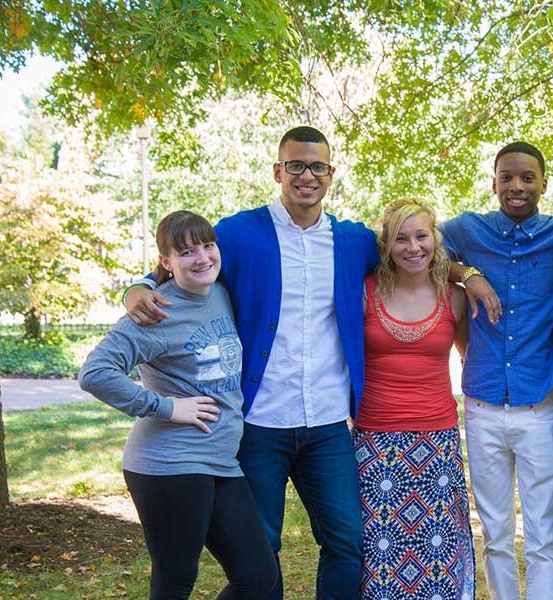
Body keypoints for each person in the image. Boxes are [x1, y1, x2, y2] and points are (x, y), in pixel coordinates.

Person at [124, 127, 378, 600]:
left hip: (326, 422)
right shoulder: (240, 233)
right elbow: (184, 258)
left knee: (347, 543)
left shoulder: (354, 242)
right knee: (263, 549)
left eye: (317, 166)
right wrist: (137, 285)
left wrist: (468, 273)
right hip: (259, 420)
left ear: (331, 173)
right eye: (296, 166)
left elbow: (416, 252)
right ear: (278, 171)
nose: (307, 175)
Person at [80, 210, 278, 600]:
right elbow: (95, 372)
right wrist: (168, 407)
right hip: (169, 464)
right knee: (176, 580)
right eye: (186, 252)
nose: (202, 258)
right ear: (166, 263)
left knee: (258, 577)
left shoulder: (219, 292)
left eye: (207, 246)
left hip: (221, 461)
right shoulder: (156, 311)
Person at [439, 142, 553, 600]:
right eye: (507, 177)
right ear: (494, 182)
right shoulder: (468, 230)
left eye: (527, 178)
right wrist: (467, 274)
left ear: (543, 184)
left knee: (543, 533)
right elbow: (415, 244)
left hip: (539, 408)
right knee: (494, 533)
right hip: (482, 406)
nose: (517, 186)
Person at [354, 198, 475, 600]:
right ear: (386, 246)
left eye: (421, 236)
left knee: (436, 547)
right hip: (375, 441)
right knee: (379, 549)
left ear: (434, 239)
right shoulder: (364, 292)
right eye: (401, 239)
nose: (413, 247)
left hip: (435, 441)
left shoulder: (454, 297)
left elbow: (470, 357)